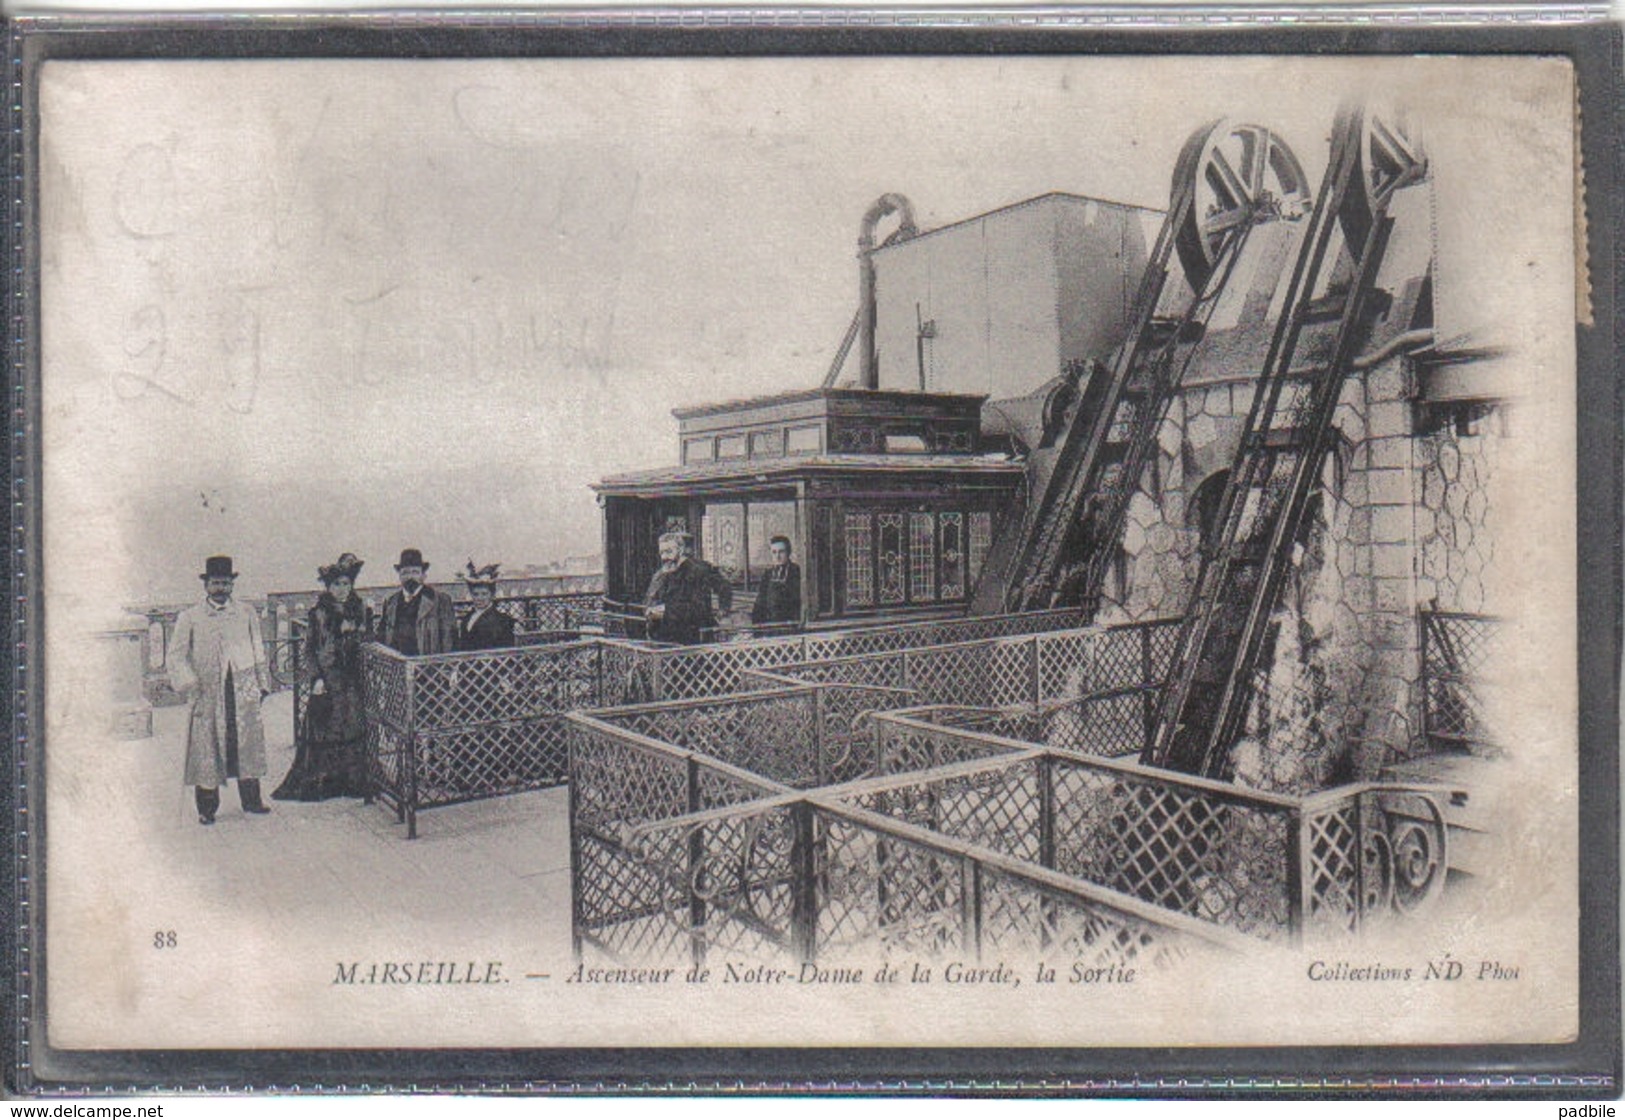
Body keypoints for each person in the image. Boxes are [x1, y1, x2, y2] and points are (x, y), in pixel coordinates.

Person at [169, 555, 272, 825]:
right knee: (208, 747)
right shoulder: (190, 617)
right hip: (208, 690)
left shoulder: (246, 612)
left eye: (226, 583)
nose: (221, 589)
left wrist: (262, 683)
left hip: (242, 686)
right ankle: (207, 808)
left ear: (232, 585)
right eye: (216, 583)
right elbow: (176, 656)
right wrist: (189, 682)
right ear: (206, 585)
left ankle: (252, 800)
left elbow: (258, 647)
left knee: (246, 743)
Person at [273, 553, 371, 801]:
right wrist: (316, 677)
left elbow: (368, 639)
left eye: (346, 584)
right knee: (325, 726)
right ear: (328, 587)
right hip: (328, 678)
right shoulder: (319, 613)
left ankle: (352, 780)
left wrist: (356, 635)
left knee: (352, 724)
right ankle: (325, 782)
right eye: (336, 584)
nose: (342, 589)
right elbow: (309, 649)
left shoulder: (359, 608)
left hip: (352, 677)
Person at [642, 530, 733, 645]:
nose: (664, 557)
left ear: (680, 550)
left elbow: (700, 609)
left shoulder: (697, 571)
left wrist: (723, 612)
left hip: (692, 639)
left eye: (669, 552)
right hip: (662, 638)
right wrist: (650, 609)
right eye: (662, 553)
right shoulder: (660, 575)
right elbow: (649, 601)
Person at [380, 548, 456, 656]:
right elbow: (382, 638)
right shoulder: (390, 603)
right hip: (397, 667)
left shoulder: (440, 601)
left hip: (428, 667)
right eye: (405, 573)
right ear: (400, 576)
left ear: (423, 575)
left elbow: (449, 640)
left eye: (415, 572)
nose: (410, 577)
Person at [458, 561, 517, 651]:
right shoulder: (467, 618)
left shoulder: (502, 621)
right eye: (476, 594)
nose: (480, 598)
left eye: (484, 594)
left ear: (492, 595)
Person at [750, 534, 803, 630]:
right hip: (770, 626)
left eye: (781, 552)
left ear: (788, 552)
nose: (777, 556)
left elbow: (799, 603)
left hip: (790, 626)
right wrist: (756, 627)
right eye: (774, 552)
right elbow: (759, 603)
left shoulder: (796, 572)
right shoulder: (768, 574)